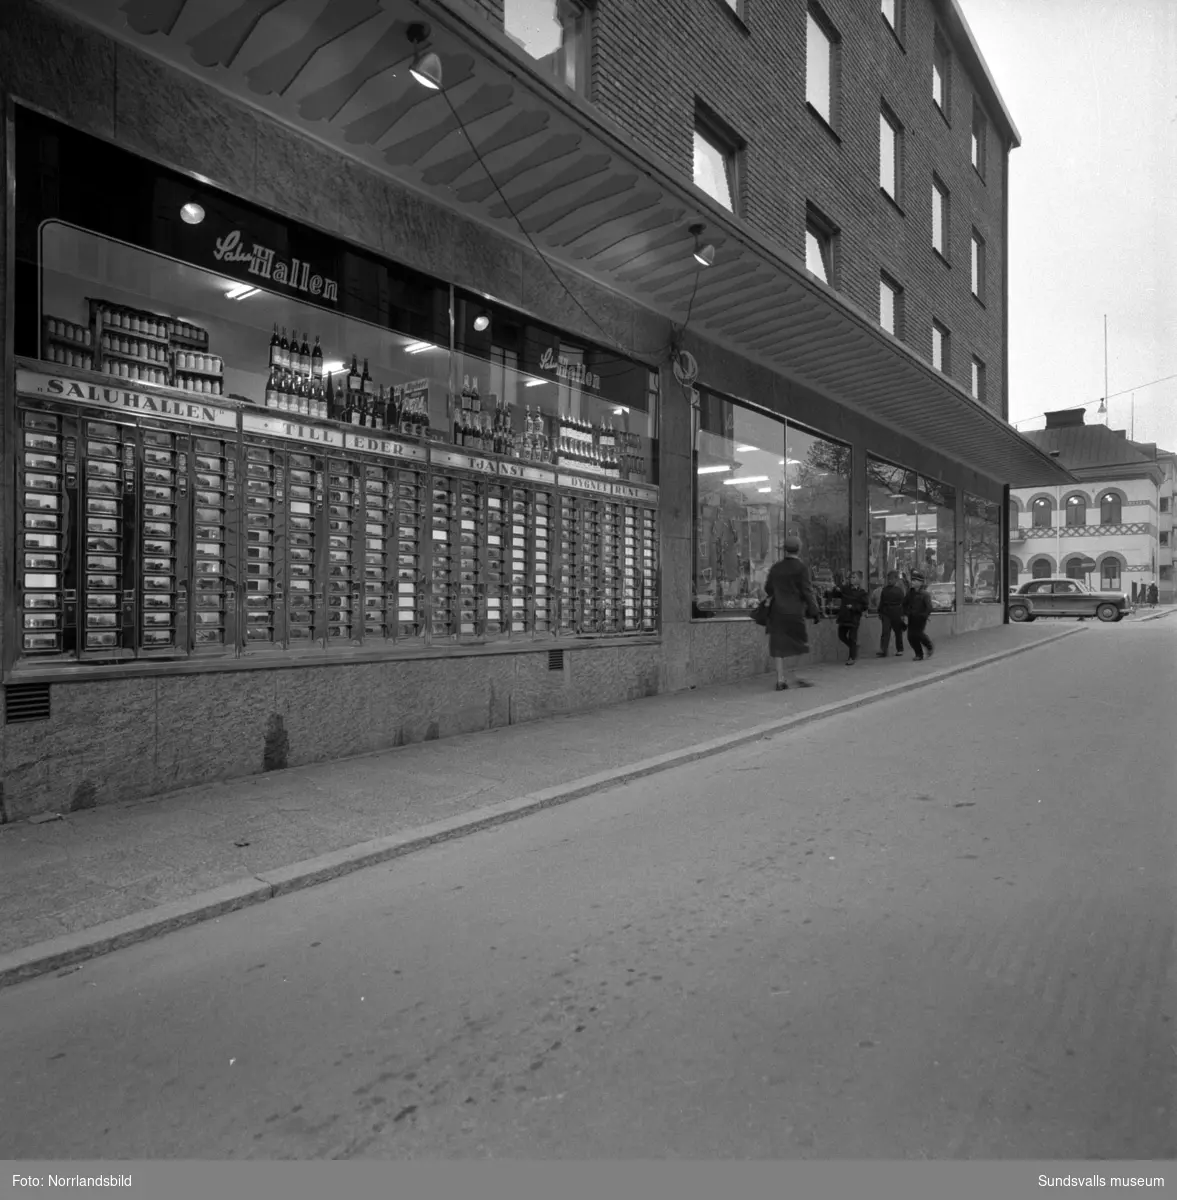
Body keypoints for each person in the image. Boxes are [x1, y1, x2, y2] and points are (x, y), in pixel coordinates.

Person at [763, 535, 822, 691]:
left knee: (778, 646)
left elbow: (768, 588)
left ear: (784, 550)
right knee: (800, 643)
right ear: (799, 549)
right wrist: (815, 610)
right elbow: (807, 591)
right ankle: (798, 675)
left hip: (777, 611)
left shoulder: (776, 568)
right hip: (795, 611)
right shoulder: (801, 568)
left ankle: (780, 679)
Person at [834, 570, 868, 665]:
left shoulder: (862, 593)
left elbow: (864, 606)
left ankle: (851, 657)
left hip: (854, 617)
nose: (852, 579)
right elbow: (837, 593)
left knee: (852, 637)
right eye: (851, 577)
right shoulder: (845, 589)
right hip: (844, 616)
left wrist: (853, 607)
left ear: (860, 580)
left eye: (854, 577)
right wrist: (835, 589)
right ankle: (854, 648)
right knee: (841, 635)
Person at [903, 570, 935, 660]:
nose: (912, 582)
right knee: (911, 637)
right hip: (911, 618)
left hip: (920, 618)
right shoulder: (910, 593)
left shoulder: (925, 594)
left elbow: (929, 607)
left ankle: (929, 646)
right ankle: (918, 654)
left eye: (915, 580)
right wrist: (906, 613)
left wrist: (924, 615)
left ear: (921, 582)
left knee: (918, 634)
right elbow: (904, 604)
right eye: (912, 580)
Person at [875, 570, 906, 657]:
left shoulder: (900, 590)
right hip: (886, 612)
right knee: (885, 631)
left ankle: (900, 649)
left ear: (896, 579)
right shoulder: (885, 590)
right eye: (888, 579)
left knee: (898, 632)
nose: (889, 581)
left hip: (896, 612)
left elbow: (903, 602)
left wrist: (902, 614)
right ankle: (883, 650)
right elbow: (882, 602)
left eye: (891, 579)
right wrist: (880, 612)